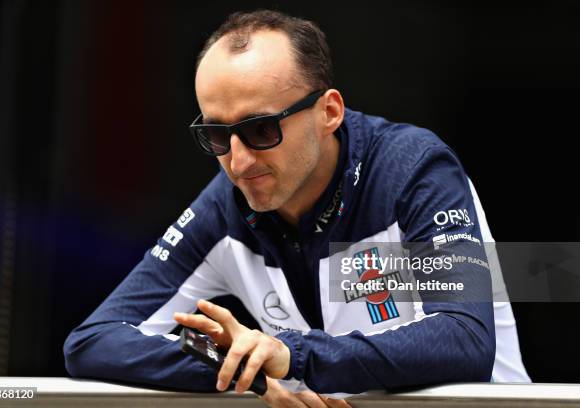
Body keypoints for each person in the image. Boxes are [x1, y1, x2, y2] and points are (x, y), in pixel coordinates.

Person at [63, 9, 530, 406]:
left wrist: (294, 356)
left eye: (262, 128)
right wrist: (249, 370)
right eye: (217, 135)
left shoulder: (413, 168)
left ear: (329, 112)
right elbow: (93, 341)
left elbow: (465, 337)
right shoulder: (224, 205)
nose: (239, 161)